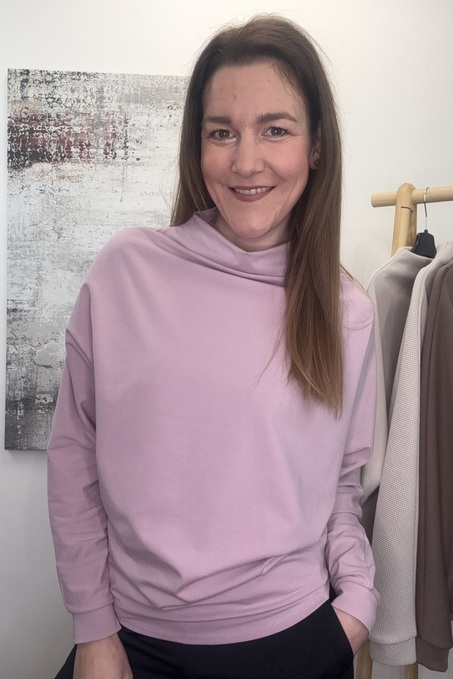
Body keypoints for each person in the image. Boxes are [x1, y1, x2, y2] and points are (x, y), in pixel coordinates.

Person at [48, 14, 379, 679]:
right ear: (196, 146)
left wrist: (357, 607)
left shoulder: (346, 310)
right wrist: (93, 628)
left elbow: (342, 486)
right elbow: (74, 454)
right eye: (221, 132)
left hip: (295, 639)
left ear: (316, 147)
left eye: (275, 130)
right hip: (132, 642)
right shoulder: (125, 272)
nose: (245, 161)